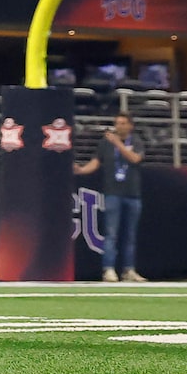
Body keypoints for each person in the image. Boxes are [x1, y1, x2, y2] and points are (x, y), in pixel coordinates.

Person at [72, 112, 146, 282]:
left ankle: (129, 270)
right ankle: (109, 269)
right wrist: (82, 170)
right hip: (113, 193)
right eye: (117, 123)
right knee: (111, 233)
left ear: (130, 125)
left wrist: (118, 144)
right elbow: (96, 162)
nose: (119, 126)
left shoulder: (135, 141)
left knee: (130, 235)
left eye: (122, 123)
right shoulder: (106, 143)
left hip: (132, 193)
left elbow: (135, 158)